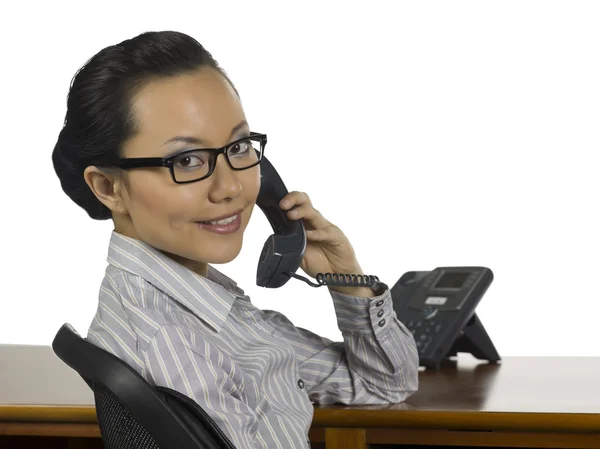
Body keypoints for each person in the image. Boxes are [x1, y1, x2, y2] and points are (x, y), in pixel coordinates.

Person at [52, 30, 419, 449]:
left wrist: (346, 279)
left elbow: (385, 384)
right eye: (187, 160)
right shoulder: (173, 342)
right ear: (108, 188)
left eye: (239, 146)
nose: (231, 188)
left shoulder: (206, 311)